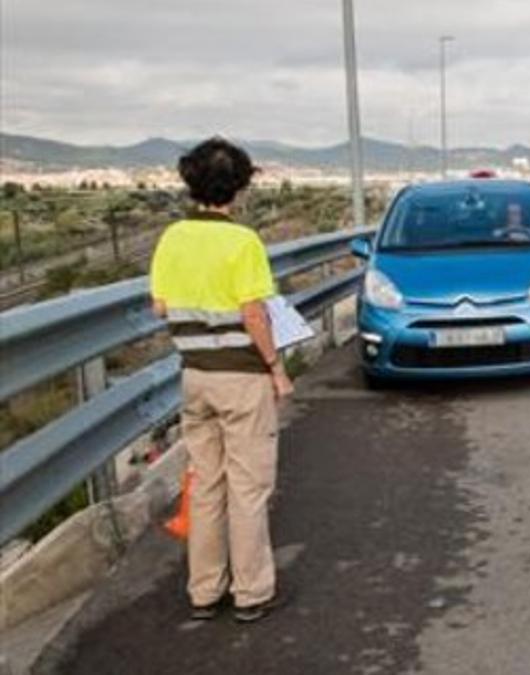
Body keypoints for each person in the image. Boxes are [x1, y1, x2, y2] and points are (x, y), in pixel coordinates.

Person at [150, 138, 292, 624]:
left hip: (195, 376)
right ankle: (251, 591)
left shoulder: (172, 239)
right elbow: (254, 312)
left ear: (192, 183)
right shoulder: (242, 241)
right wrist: (276, 367)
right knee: (248, 487)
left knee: (206, 483)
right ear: (240, 185)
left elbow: (161, 306)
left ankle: (205, 590)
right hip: (242, 378)